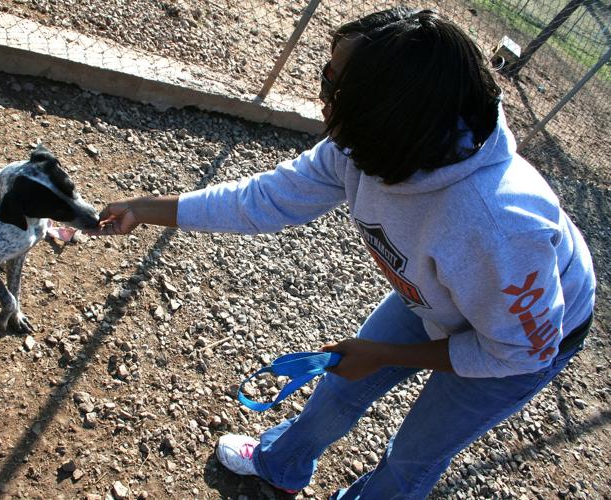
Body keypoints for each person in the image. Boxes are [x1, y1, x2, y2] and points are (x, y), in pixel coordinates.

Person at [88, 7, 596, 498]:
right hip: (434, 295)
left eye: (335, 86)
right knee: (338, 387)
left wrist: (383, 354)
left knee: (412, 456)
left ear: (387, 112)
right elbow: (264, 200)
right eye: (327, 74)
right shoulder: (372, 143)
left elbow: (520, 350)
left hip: (519, 339)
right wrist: (146, 208)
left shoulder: (497, 225)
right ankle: (279, 464)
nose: (323, 97)